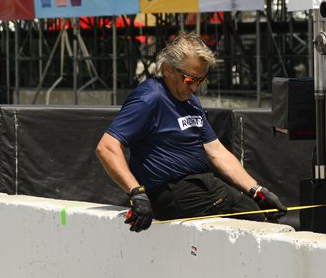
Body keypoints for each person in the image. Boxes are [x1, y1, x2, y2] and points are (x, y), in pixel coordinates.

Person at [95, 33, 287, 232]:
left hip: (200, 186)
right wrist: (136, 193)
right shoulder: (149, 98)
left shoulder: (189, 100)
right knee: (252, 218)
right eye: (189, 79)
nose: (195, 87)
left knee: (259, 214)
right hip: (172, 191)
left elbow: (216, 151)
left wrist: (256, 191)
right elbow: (106, 147)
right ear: (167, 69)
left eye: (200, 80)